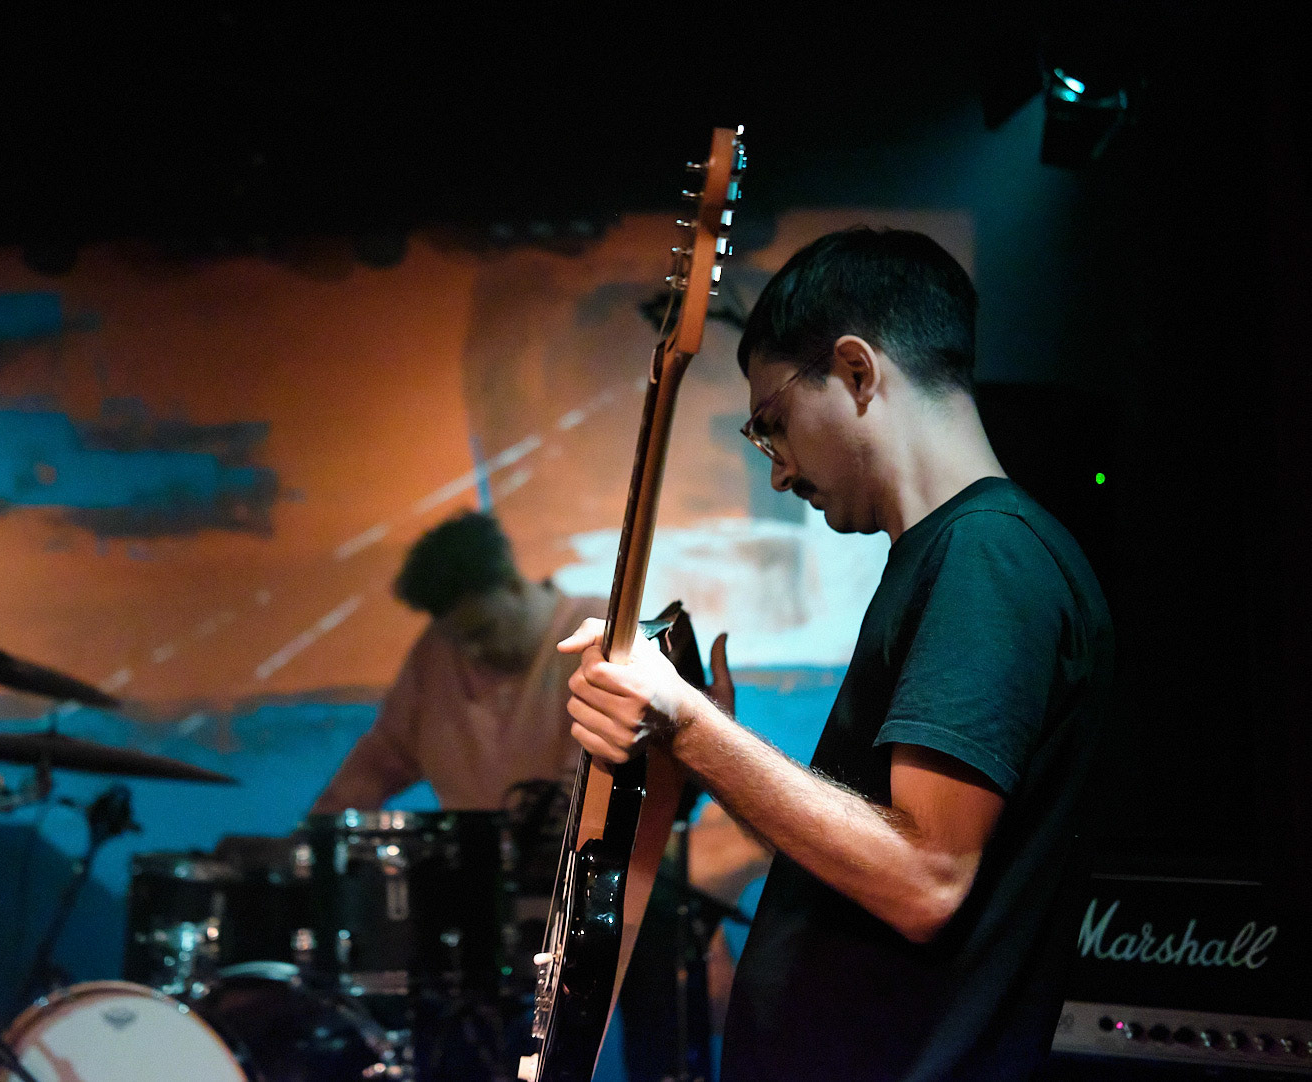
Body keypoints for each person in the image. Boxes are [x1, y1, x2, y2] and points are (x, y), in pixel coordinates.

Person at [559, 227, 1114, 1080]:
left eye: (772, 425)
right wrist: (706, 748)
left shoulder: (986, 555)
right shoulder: (954, 551)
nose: (777, 473)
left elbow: (925, 880)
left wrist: (693, 726)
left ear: (856, 372)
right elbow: (866, 854)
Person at [310, 510, 605, 813]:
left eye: (482, 631)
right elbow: (382, 758)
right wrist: (318, 827)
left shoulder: (598, 632)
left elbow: (598, 784)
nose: (471, 653)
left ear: (513, 585)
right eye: (458, 641)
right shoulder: (438, 651)